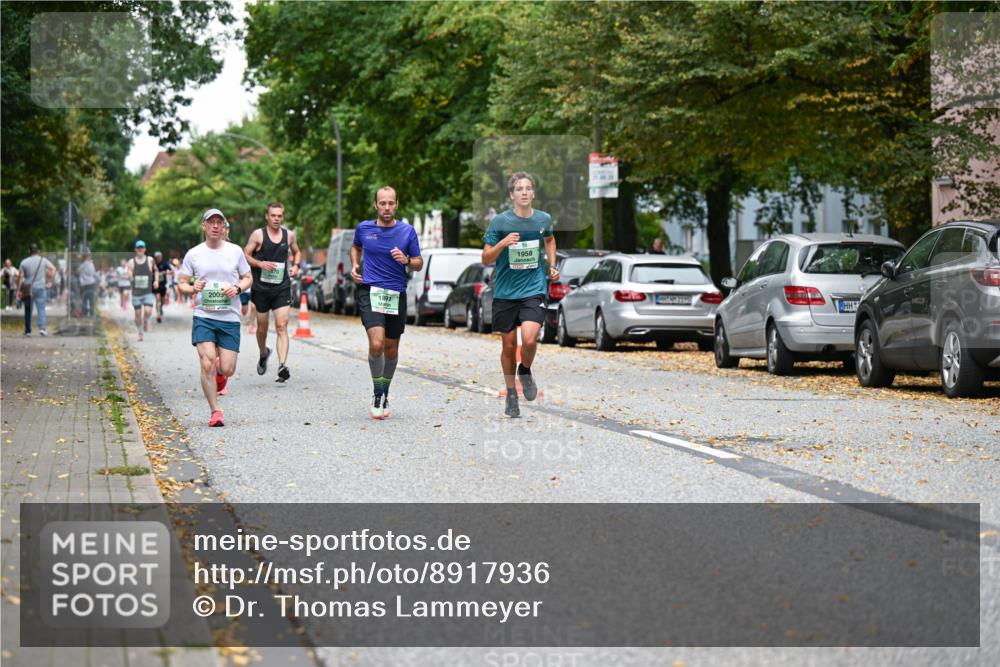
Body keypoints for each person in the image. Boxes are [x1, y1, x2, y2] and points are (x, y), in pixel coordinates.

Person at [481, 172, 559, 418]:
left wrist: (552, 265)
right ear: (511, 195)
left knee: (529, 339)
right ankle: (510, 393)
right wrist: (502, 243)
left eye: (528, 188)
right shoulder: (499, 223)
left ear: (533, 193)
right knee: (508, 344)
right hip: (505, 291)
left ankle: (524, 370)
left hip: (533, 288)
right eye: (519, 189)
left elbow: (550, 240)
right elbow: (485, 258)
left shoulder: (543, 219)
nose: (524, 192)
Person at [350, 186, 422, 419]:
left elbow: (419, 262)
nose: (387, 207)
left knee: (391, 350)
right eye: (383, 203)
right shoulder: (364, 228)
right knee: (377, 343)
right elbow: (356, 246)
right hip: (370, 291)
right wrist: (354, 264)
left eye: (391, 203)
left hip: (395, 294)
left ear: (397, 204)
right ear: (376, 205)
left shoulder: (407, 231)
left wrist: (407, 259)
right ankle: (377, 392)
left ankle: (385, 390)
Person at [176, 209, 252, 427]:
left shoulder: (235, 251)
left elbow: (248, 277)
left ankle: (221, 373)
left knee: (228, 368)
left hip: (229, 317)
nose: (215, 226)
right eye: (211, 222)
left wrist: (237, 288)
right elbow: (181, 283)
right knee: (207, 362)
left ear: (224, 227)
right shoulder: (194, 254)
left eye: (219, 222)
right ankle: (215, 411)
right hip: (204, 316)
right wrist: (192, 287)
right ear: (204, 227)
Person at [243, 202, 301, 383]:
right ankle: (263, 353)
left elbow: (297, 252)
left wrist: (296, 266)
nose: (276, 219)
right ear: (267, 216)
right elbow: (245, 254)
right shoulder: (258, 235)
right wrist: (260, 264)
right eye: (273, 215)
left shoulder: (289, 235)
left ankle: (282, 365)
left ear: (282, 217)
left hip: (281, 287)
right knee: (262, 329)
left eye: (279, 216)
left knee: (282, 325)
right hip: (261, 288)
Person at [17, 244, 56, 336]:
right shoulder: (43, 260)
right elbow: (53, 269)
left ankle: (28, 331)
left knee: (28, 310)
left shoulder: (24, 262)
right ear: (38, 251)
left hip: (28, 289)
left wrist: (19, 290)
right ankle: (42, 329)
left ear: (29, 251)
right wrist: (50, 280)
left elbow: (21, 277)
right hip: (40, 288)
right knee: (41, 309)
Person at [127, 241, 159, 341]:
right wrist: (130, 276)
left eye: (142, 248)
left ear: (145, 249)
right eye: (138, 248)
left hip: (147, 291)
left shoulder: (150, 260)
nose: (140, 249)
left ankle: (145, 320)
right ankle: (140, 331)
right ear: (135, 249)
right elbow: (129, 272)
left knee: (148, 311)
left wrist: (156, 281)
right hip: (136, 292)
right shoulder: (131, 262)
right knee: (137, 313)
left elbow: (156, 270)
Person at [77, 250, 98, 318]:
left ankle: (85, 314)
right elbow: (93, 273)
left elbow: (78, 271)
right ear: (88, 257)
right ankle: (91, 314)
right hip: (91, 283)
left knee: (84, 299)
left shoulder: (81, 265)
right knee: (91, 299)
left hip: (83, 284)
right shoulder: (91, 264)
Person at [153, 250, 172, 323]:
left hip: (163, 284)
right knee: (157, 299)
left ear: (161, 257)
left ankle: (161, 307)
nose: (158, 258)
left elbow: (172, 271)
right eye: (156, 257)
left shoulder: (164, 264)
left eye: (159, 257)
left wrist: (165, 272)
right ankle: (158, 315)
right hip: (155, 284)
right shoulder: (153, 264)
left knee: (162, 300)